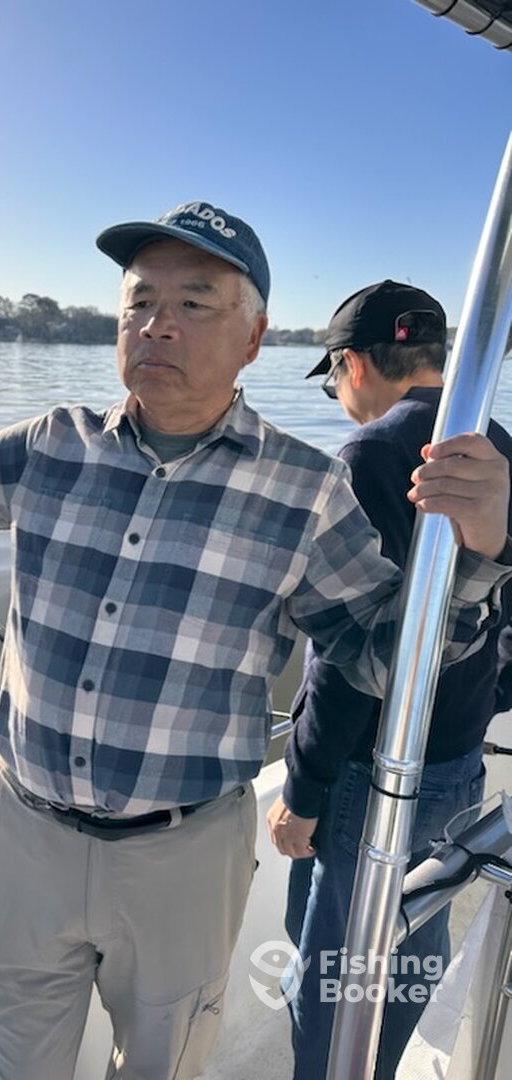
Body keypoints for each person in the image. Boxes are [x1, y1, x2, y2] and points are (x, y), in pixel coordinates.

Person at [0, 209, 511, 1080]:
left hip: (184, 855)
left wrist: (479, 556)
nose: (158, 323)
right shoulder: (54, 440)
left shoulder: (309, 488)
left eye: (194, 301)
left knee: (163, 1064)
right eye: (140, 301)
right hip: (21, 831)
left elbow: (382, 659)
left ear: (255, 338)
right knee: (4, 1063)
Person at [265, 280, 512, 1080]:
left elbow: (351, 658)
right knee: (411, 942)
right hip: (457, 756)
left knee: (334, 981)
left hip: (369, 773)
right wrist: (482, 697)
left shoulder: (368, 456)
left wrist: (303, 789)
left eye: (332, 379)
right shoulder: (498, 445)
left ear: (355, 365)